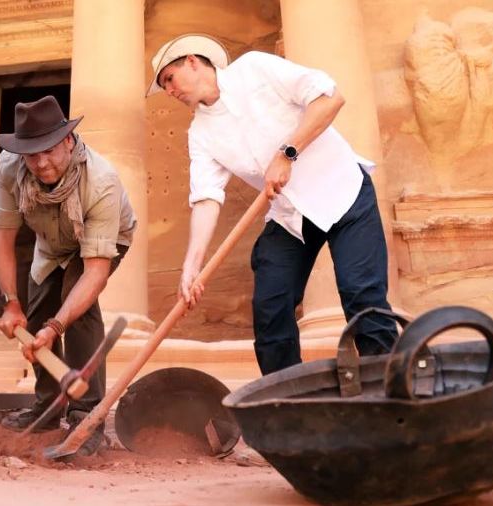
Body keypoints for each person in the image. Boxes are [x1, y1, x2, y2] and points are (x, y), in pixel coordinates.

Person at [148, 34, 397, 374]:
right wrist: (192, 265)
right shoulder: (200, 134)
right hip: (290, 216)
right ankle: (284, 408)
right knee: (271, 306)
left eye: (169, 79)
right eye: (164, 87)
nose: (170, 91)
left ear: (192, 61)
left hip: (343, 193)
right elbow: (206, 197)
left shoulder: (254, 68)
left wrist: (287, 152)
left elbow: (330, 98)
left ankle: (391, 393)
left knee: (361, 295)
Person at [0, 96, 136, 455]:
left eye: (49, 151)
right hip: (50, 243)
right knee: (36, 312)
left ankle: (88, 416)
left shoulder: (101, 180)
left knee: (78, 310)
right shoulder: (10, 168)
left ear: (69, 141)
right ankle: (48, 406)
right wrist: (10, 303)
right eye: (31, 154)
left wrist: (57, 327)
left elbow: (95, 271)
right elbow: (2, 235)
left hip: (101, 242)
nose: (40, 163)